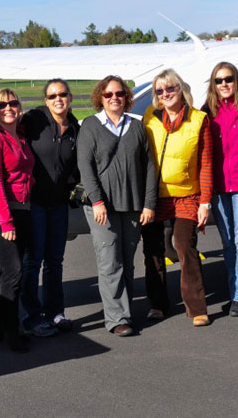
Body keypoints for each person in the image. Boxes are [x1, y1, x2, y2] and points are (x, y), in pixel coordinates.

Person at [77, 75, 157, 337]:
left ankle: (125, 311)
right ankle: (116, 318)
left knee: (127, 261)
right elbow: (85, 167)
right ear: (101, 97)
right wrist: (97, 201)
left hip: (133, 204)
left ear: (127, 97)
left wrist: (148, 204)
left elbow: (149, 167)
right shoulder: (90, 126)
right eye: (109, 94)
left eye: (120, 94)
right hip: (103, 207)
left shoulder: (136, 127)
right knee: (109, 262)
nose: (115, 98)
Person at [142, 68, 213, 327]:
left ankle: (196, 308)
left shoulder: (198, 119)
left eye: (170, 88)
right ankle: (158, 305)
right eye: (159, 91)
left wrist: (205, 201)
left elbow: (205, 163)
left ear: (180, 89)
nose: (165, 94)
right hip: (154, 195)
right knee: (153, 250)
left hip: (186, 195)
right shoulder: (150, 117)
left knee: (185, 246)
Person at [20, 79, 80, 337]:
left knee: (55, 261)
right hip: (34, 203)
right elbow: (6, 131)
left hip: (58, 204)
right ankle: (31, 317)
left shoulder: (75, 127)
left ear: (70, 97)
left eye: (63, 94)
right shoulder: (33, 119)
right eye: (52, 95)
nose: (58, 99)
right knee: (33, 261)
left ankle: (55, 312)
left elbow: (77, 166)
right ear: (45, 100)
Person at [201, 62, 238, 317]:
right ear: (213, 85)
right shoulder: (207, 111)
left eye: (228, 79)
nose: (224, 84)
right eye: (218, 80)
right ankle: (235, 290)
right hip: (219, 185)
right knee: (228, 242)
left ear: (236, 81)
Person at [0, 88, 34, 352]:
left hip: (24, 209)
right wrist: (6, 221)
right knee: (14, 271)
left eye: (13, 103)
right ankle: (12, 331)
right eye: (1, 105)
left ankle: (2, 327)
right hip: (3, 214)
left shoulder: (21, 137)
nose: (8, 108)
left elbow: (26, 173)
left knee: (7, 272)